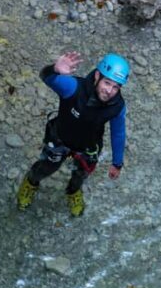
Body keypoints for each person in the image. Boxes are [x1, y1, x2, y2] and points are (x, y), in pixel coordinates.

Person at [16, 51, 129, 216]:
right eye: (107, 83)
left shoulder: (117, 106)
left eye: (116, 87)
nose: (110, 91)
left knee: (80, 175)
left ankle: (73, 191)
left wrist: (117, 163)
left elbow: (118, 133)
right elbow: (45, 77)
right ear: (97, 75)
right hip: (59, 139)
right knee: (45, 168)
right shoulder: (74, 88)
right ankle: (31, 183)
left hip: (89, 146)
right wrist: (54, 69)